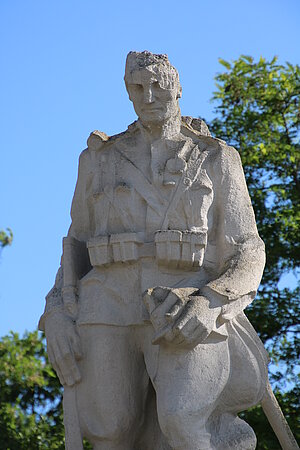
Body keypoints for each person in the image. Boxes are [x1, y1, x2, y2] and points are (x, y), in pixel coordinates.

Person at [39, 51, 269, 450]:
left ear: (178, 87)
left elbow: (248, 248)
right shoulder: (99, 159)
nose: (149, 95)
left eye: (159, 84)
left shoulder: (215, 157)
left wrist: (211, 302)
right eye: (138, 87)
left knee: (182, 421)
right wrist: (57, 311)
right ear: (128, 93)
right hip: (107, 302)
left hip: (183, 298)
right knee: (108, 430)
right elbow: (75, 243)